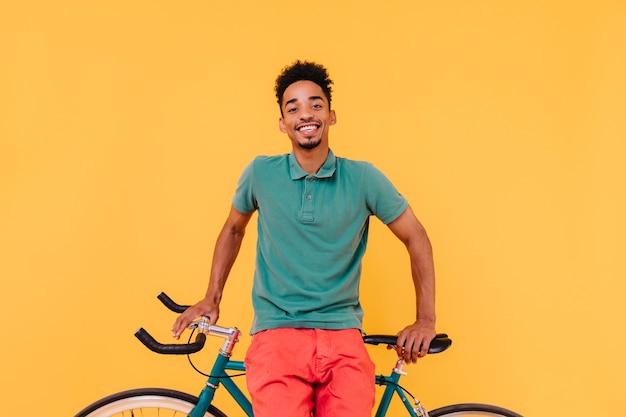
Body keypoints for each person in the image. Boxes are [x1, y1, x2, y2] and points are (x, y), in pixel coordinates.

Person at [172, 60, 436, 417]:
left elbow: (416, 235)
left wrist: (425, 320)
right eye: (292, 107)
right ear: (282, 123)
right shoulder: (261, 173)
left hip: (343, 334)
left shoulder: (363, 178)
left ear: (331, 115)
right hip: (277, 334)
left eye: (315, 104)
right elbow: (234, 228)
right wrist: (211, 297)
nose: (305, 114)